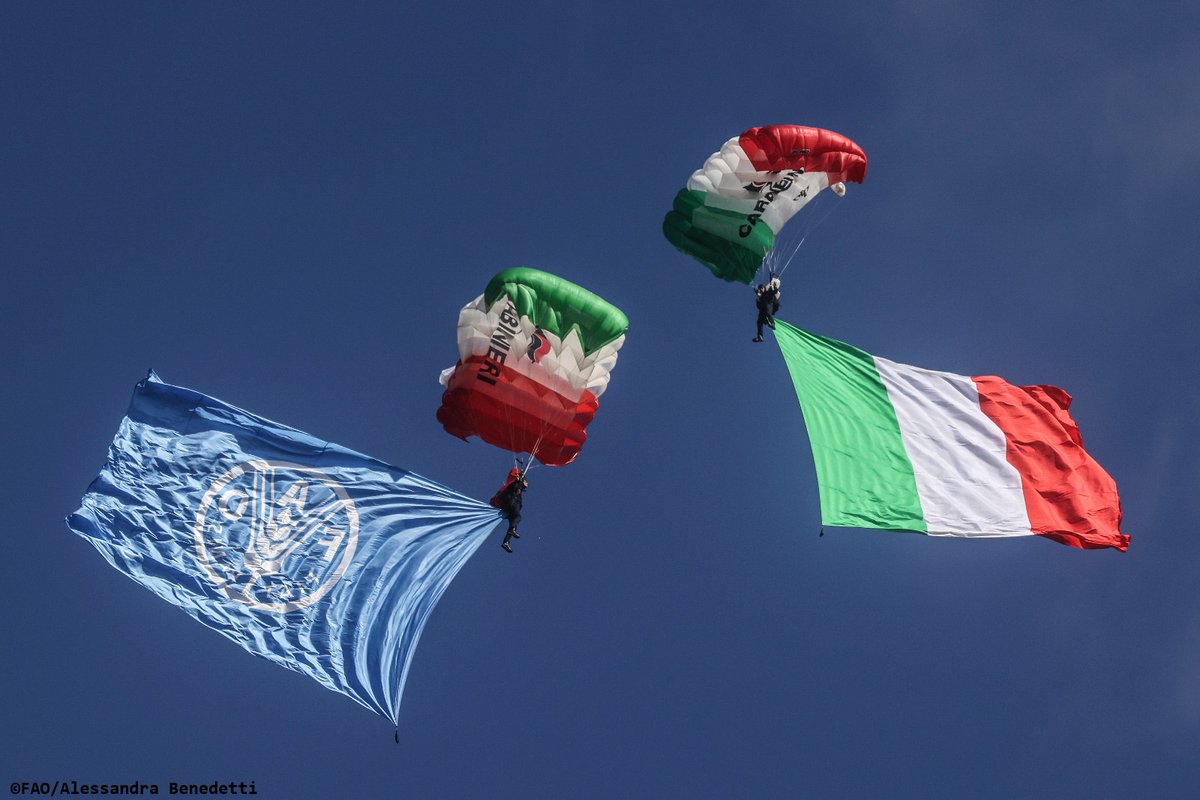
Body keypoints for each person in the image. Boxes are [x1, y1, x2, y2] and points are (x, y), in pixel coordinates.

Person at [490, 468, 528, 553]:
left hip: (509, 507)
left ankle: (506, 542)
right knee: (517, 517)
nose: (527, 484)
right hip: (510, 503)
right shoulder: (515, 484)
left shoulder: (518, 488)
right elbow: (512, 487)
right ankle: (511, 530)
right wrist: (519, 479)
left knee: (514, 522)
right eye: (526, 482)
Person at [753, 276, 781, 342]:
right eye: (760, 289)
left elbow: (775, 291)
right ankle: (760, 336)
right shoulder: (760, 297)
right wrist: (758, 300)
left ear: (764, 288)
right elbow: (759, 306)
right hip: (763, 309)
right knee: (759, 322)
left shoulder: (768, 292)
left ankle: (772, 323)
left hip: (769, 306)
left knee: (767, 312)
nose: (761, 289)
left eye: (762, 288)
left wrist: (773, 286)